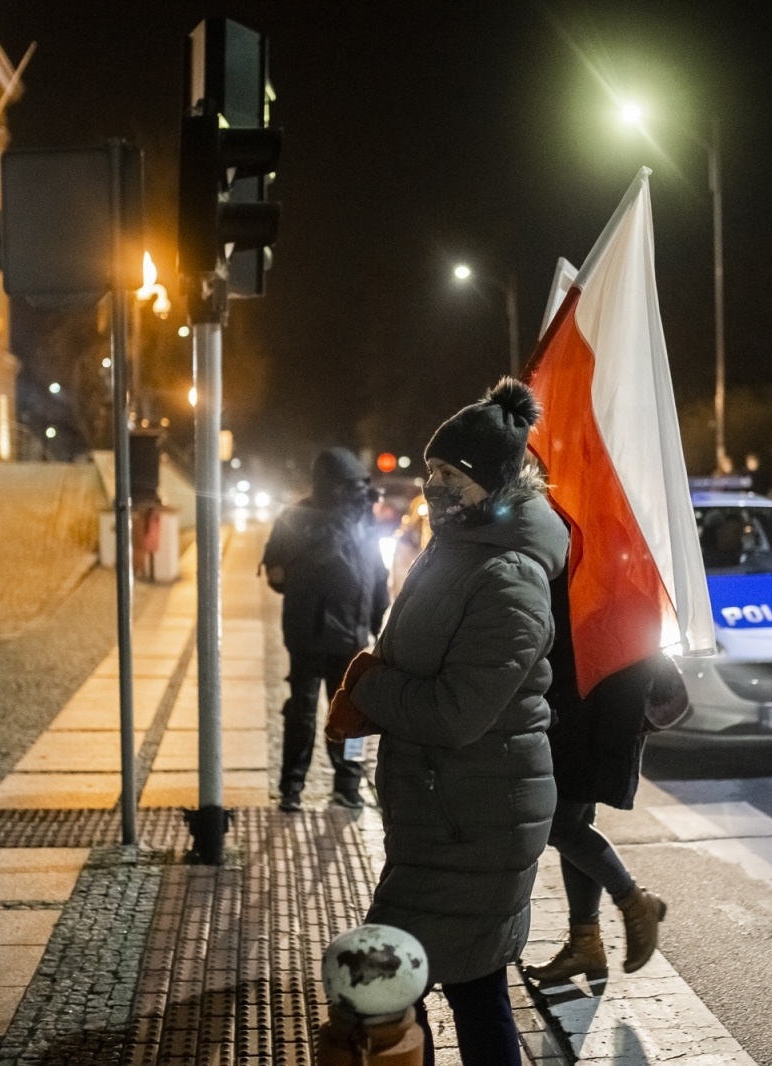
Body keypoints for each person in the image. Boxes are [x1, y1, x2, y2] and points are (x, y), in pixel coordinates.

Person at [325, 378, 566, 1066]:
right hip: (449, 813)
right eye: (430, 471)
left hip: (476, 821)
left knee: (381, 986)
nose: (434, 485)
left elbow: (458, 713)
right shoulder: (456, 548)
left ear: (491, 482)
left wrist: (370, 686)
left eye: (450, 474)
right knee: (470, 984)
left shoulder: (510, 575)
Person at [521, 576, 682, 982]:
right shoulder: (590, 540)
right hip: (587, 700)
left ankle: (632, 900)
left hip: (591, 705)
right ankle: (586, 942)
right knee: (574, 823)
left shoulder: (594, 544)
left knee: (560, 826)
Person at [262, 446, 388, 811]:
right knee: (326, 712)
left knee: (324, 712)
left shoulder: (307, 517)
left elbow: (375, 572)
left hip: (327, 633)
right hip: (330, 634)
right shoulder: (338, 518)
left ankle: (317, 786)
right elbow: (375, 576)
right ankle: (320, 787)